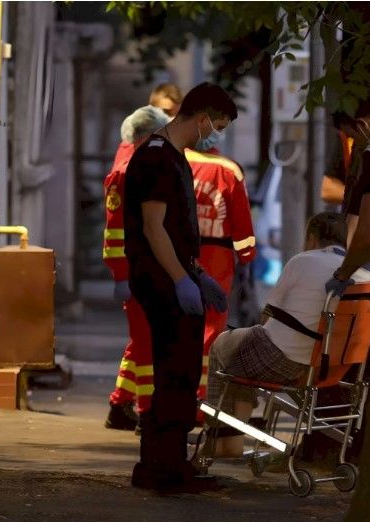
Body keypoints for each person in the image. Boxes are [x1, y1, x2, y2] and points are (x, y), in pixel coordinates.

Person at [123, 82, 237, 493]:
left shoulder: (172, 155)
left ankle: (163, 465)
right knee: (176, 374)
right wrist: (180, 279)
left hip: (174, 277)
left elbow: (174, 228)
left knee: (181, 374)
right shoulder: (157, 157)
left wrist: (196, 274)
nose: (216, 135)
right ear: (202, 117)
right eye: (217, 126)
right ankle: (164, 469)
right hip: (163, 281)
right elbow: (154, 228)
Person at [205, 212, 370, 456]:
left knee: (223, 346)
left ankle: (217, 440)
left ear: (312, 238)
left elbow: (267, 316)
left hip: (279, 359)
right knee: (241, 360)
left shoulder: (301, 262)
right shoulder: (369, 279)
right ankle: (231, 441)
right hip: (328, 369)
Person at [103, 105, 171, 430]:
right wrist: (121, 275)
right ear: (146, 137)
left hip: (148, 269)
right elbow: (114, 231)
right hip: (137, 271)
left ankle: (120, 404)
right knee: (147, 343)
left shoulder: (143, 167)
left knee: (143, 338)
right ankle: (147, 412)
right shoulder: (126, 172)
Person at [186, 146, 257, 403]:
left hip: (176, 254)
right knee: (210, 329)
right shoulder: (227, 169)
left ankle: (171, 398)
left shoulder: (172, 159)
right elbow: (242, 225)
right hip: (217, 259)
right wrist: (246, 258)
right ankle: (201, 399)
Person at [324, 109, 370, 297]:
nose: (354, 143)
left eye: (352, 137)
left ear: (362, 125)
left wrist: (343, 275)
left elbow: (368, 235)